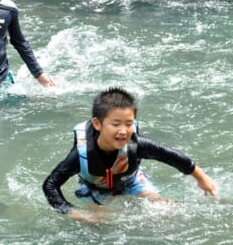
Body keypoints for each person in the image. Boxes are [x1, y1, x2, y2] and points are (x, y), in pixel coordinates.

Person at [42, 87, 217, 222]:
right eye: (116, 124)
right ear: (97, 124)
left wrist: (202, 178)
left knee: (163, 211)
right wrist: (75, 213)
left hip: (131, 180)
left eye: (129, 124)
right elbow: (50, 185)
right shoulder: (81, 155)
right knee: (102, 224)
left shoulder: (137, 145)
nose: (123, 131)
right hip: (95, 187)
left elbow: (172, 156)